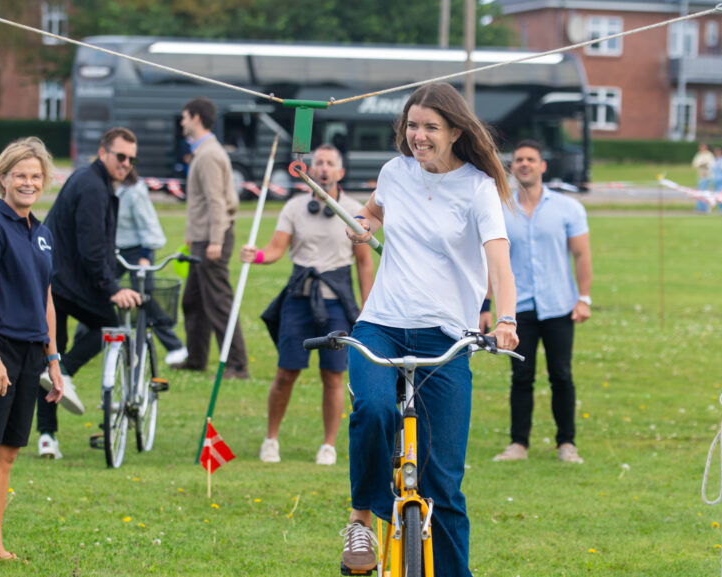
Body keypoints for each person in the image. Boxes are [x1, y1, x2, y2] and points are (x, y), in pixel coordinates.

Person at [340, 82, 519, 576]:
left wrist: (506, 319)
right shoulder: (394, 173)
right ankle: (360, 520)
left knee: (443, 485)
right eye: (412, 126)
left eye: (430, 128)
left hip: (448, 336)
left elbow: (500, 267)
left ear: (456, 131)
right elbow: (373, 211)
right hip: (381, 323)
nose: (418, 137)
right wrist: (362, 222)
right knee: (373, 409)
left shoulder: (478, 187)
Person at [0, 137, 65, 573]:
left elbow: (47, 299)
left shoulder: (42, 233)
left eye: (36, 176)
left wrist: (54, 360)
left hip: (31, 352)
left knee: (7, 454)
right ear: (2, 178)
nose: (28, 182)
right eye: (20, 174)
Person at [240, 144, 374, 466]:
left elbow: (364, 263)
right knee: (286, 373)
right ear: (309, 171)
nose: (324, 169)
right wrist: (256, 256)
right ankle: (271, 439)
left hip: (337, 303)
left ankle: (328, 446)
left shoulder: (355, 210)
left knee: (333, 375)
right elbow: (275, 249)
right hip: (298, 299)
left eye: (330, 163)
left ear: (340, 172)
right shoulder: (295, 207)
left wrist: (367, 304)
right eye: (318, 163)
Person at [37, 127, 142, 458]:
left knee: (50, 354)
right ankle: (63, 372)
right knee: (110, 325)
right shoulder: (94, 188)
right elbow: (92, 248)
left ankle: (46, 436)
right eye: (120, 156)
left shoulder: (92, 182)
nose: (125, 164)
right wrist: (112, 287)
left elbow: (96, 245)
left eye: (131, 159)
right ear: (103, 153)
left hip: (57, 277)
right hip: (65, 282)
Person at [490, 140, 593, 465]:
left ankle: (567, 443)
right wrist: (484, 305)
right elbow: (491, 261)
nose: (524, 164)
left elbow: (581, 255)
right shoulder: (501, 209)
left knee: (561, 375)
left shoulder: (568, 208)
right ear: (512, 167)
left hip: (559, 306)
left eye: (530, 159)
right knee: (521, 377)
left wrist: (584, 298)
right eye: (518, 159)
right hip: (518, 310)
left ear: (542, 166)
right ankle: (518, 443)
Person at [173, 97, 248, 377]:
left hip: (212, 239)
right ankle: (196, 359)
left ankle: (237, 365)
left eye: (184, 117)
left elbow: (217, 202)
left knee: (218, 302)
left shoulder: (208, 155)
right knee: (192, 301)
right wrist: (193, 237)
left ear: (195, 118)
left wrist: (215, 240)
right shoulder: (203, 152)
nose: (181, 122)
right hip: (202, 238)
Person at [113, 167, 188, 364]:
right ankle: (87, 340)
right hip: (116, 249)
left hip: (139, 250)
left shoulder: (135, 192)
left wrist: (145, 256)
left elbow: (150, 225)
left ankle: (175, 346)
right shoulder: (109, 188)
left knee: (143, 296)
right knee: (100, 289)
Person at [691, 142, 715, 212]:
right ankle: (700, 208)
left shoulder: (709, 155)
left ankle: (707, 208)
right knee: (700, 192)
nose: (702, 148)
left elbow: (712, 164)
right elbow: (695, 164)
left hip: (708, 176)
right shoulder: (699, 155)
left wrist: (704, 164)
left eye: (703, 147)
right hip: (701, 176)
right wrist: (700, 164)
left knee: (707, 192)